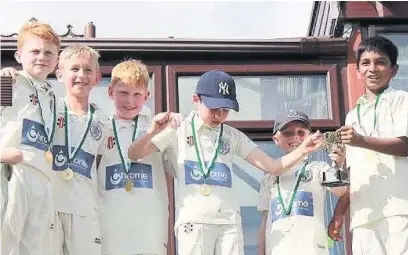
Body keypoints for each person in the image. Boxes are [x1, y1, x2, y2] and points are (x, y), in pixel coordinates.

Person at [128, 70, 324, 254]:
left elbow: (273, 167)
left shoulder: (233, 136)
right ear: (196, 99)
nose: (219, 115)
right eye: (214, 108)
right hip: (193, 221)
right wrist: (152, 131)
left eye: (225, 110)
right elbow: (135, 153)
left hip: (229, 223)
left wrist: (303, 149)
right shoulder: (178, 129)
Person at [329, 35, 408, 254]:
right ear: (357, 71)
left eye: (381, 62)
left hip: (400, 208)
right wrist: (339, 212)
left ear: (394, 70)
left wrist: (360, 140)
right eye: (365, 63)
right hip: (363, 214)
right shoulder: (351, 117)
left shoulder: (403, 100)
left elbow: (405, 146)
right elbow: (354, 171)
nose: (373, 69)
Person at [97, 59, 172, 255]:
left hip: (149, 227)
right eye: (123, 93)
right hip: (108, 227)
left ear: (147, 95)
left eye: (137, 94)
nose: (130, 101)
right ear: (110, 92)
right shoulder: (99, 127)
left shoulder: (159, 128)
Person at [0, 21, 60, 255]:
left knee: (37, 248)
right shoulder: (9, 82)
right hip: (12, 173)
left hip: (42, 177)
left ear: (57, 60)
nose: (41, 57)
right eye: (34, 51)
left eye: (48, 53)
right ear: (19, 55)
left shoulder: (53, 96)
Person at [257, 110, 346, 255]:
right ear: (276, 139)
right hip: (278, 249)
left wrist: (338, 164)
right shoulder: (269, 177)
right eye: (288, 133)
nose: (295, 137)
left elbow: (340, 191)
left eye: (301, 132)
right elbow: (265, 221)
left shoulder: (319, 168)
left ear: (310, 136)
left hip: (311, 249)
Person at [50, 44, 107, 255]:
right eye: (74, 69)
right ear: (60, 75)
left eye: (87, 70)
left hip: (84, 210)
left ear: (97, 78)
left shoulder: (103, 121)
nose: (81, 75)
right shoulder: (49, 109)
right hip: (49, 207)